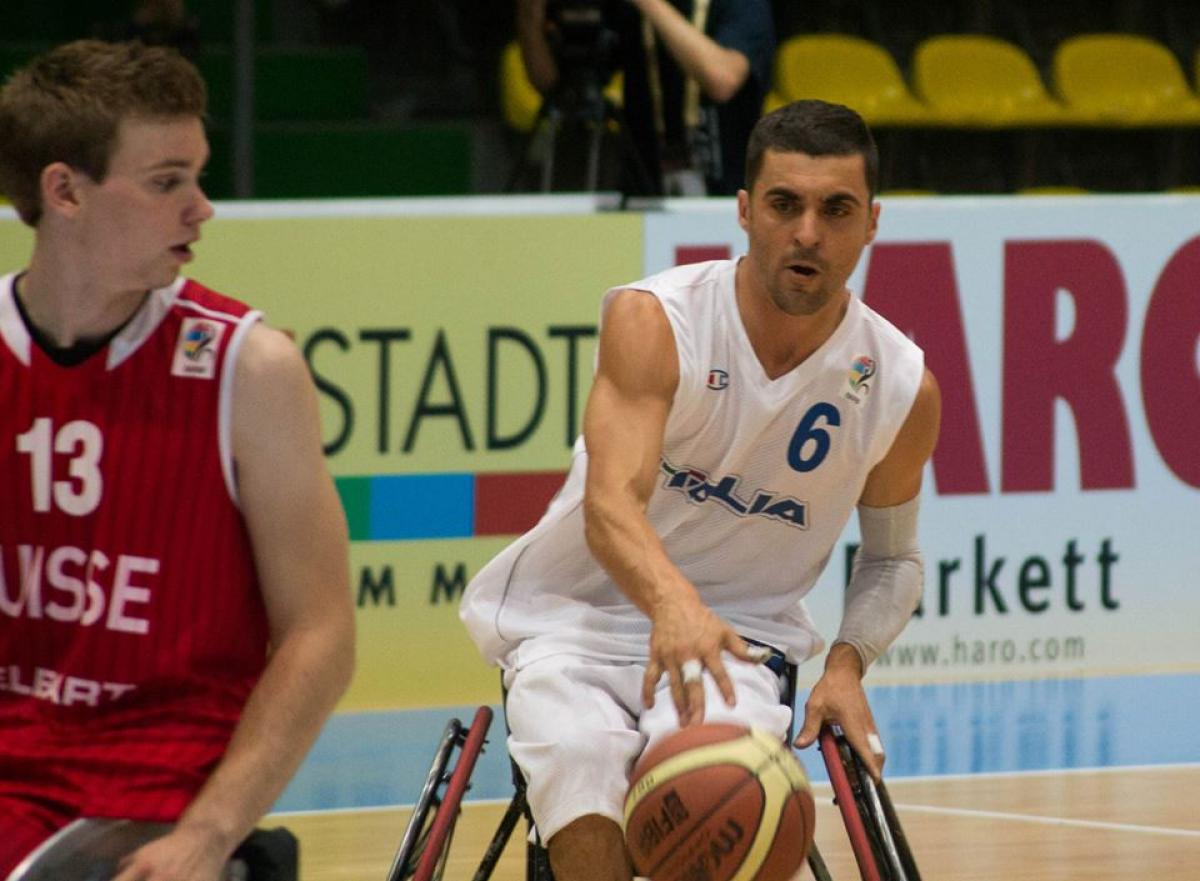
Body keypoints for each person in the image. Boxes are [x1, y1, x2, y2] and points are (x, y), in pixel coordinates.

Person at [460, 99, 941, 881]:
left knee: (735, 790)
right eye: (786, 205)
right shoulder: (658, 321)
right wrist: (673, 604)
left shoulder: (900, 387)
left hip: (741, 640)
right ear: (746, 210)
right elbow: (610, 503)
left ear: (872, 223)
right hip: (574, 621)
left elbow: (893, 560)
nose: (809, 233)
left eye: (837, 209)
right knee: (581, 757)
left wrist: (848, 663)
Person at [0, 40, 355, 881]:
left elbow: (321, 633)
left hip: (159, 797)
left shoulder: (248, 366)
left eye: (198, 176)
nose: (203, 208)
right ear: (65, 191)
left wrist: (209, 834)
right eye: (168, 182)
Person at [516, 0, 774, 195]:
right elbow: (552, 86)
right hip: (645, 192)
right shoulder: (623, 10)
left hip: (727, 194)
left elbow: (723, 79)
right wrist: (530, 16)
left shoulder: (742, 5)